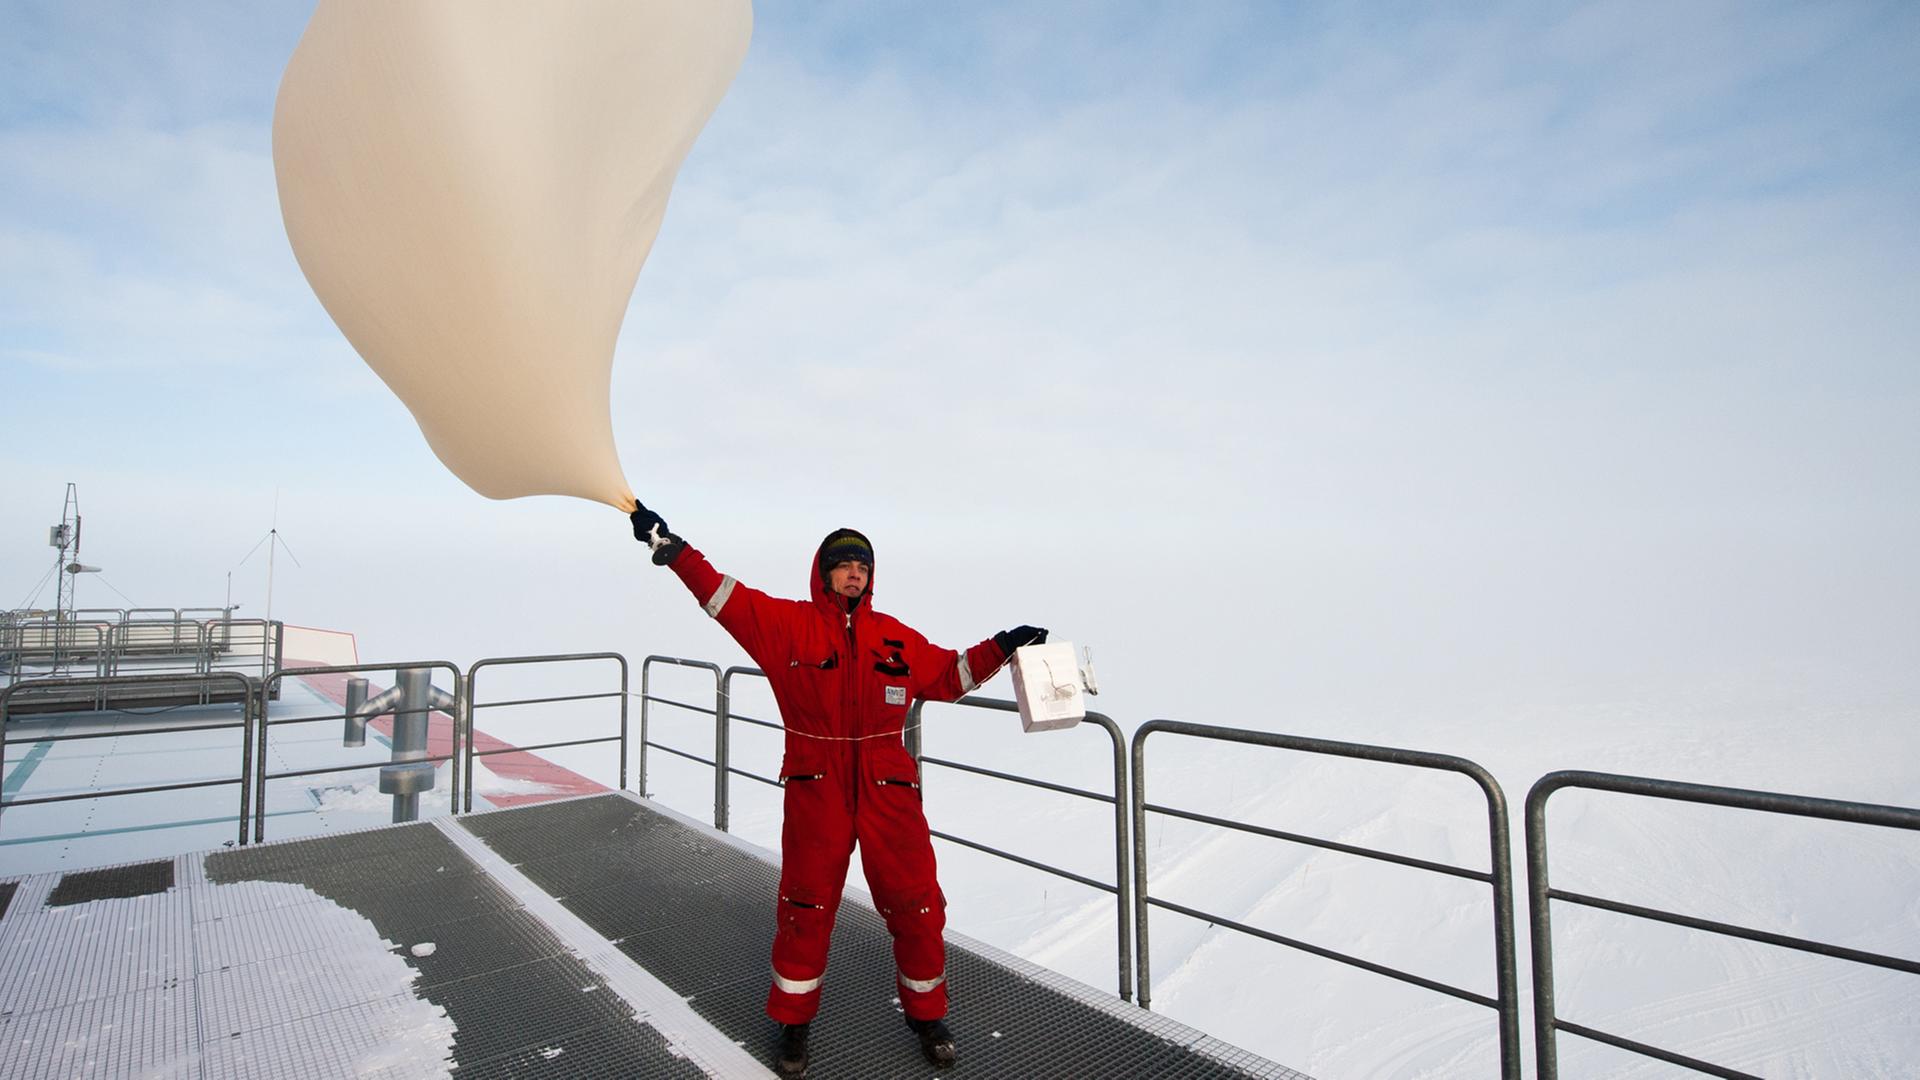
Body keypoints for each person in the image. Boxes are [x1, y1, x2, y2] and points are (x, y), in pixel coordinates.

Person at [630, 502, 1046, 1077]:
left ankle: (927, 1016)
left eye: (863, 566)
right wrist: (671, 548)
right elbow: (722, 597)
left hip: (888, 787)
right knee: (806, 905)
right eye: (843, 564)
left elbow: (951, 675)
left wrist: (1004, 644)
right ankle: (793, 1026)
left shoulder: (893, 639)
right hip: (816, 784)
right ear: (822, 573)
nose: (855, 573)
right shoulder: (785, 626)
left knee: (918, 904)